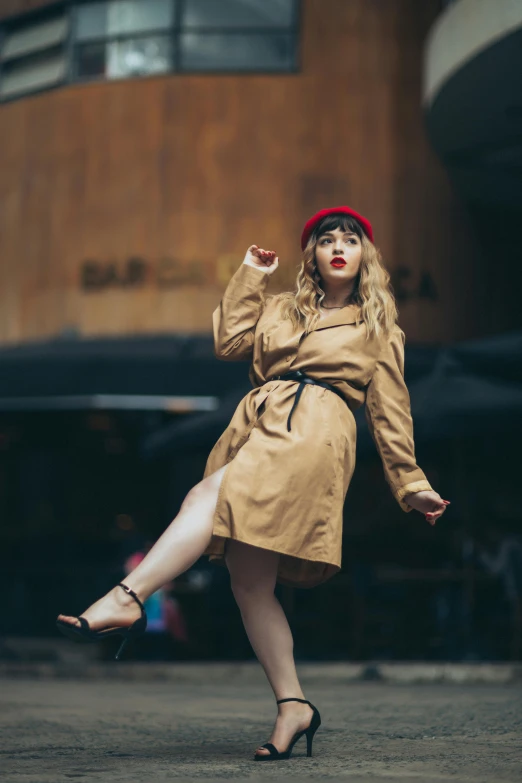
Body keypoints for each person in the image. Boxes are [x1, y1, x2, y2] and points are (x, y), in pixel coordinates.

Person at [56, 206, 450, 761]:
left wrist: (410, 483)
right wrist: (249, 274)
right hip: (260, 424)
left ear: (366, 255)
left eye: (351, 239)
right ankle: (294, 706)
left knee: (204, 497)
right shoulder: (281, 308)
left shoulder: (378, 326)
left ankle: (129, 597)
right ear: (311, 255)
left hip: (316, 427)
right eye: (326, 239)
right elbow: (230, 342)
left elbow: (392, 410)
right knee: (249, 583)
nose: (339, 246)